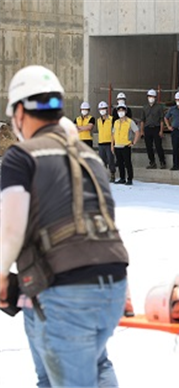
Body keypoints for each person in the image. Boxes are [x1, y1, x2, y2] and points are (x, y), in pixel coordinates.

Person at [0, 65, 129, 387]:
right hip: (110, 283)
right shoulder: (91, 157)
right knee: (93, 367)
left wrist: (1, 275)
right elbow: (105, 221)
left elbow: (10, 226)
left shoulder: (21, 156)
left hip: (65, 289)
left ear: (19, 111)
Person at [112, 103, 141, 185]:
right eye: (119, 110)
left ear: (125, 111)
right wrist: (112, 145)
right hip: (117, 145)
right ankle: (122, 178)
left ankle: (130, 179)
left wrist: (133, 142)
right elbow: (113, 134)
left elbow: (137, 132)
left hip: (125, 145)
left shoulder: (130, 121)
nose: (121, 112)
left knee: (127, 163)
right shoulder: (116, 122)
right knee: (120, 163)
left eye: (122, 110)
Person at [140, 89, 166, 169]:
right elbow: (142, 120)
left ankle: (162, 162)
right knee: (148, 147)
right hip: (147, 128)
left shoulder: (159, 107)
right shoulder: (145, 107)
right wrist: (142, 130)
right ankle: (152, 162)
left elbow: (162, 119)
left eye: (153, 97)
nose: (151, 98)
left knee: (158, 146)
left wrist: (161, 130)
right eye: (150, 96)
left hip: (156, 128)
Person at [96, 101, 116, 182]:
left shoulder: (111, 119)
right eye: (100, 109)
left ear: (107, 109)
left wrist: (113, 143)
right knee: (102, 160)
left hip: (109, 142)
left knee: (110, 160)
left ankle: (112, 174)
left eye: (104, 108)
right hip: (101, 143)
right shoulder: (98, 120)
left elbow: (113, 132)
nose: (102, 110)